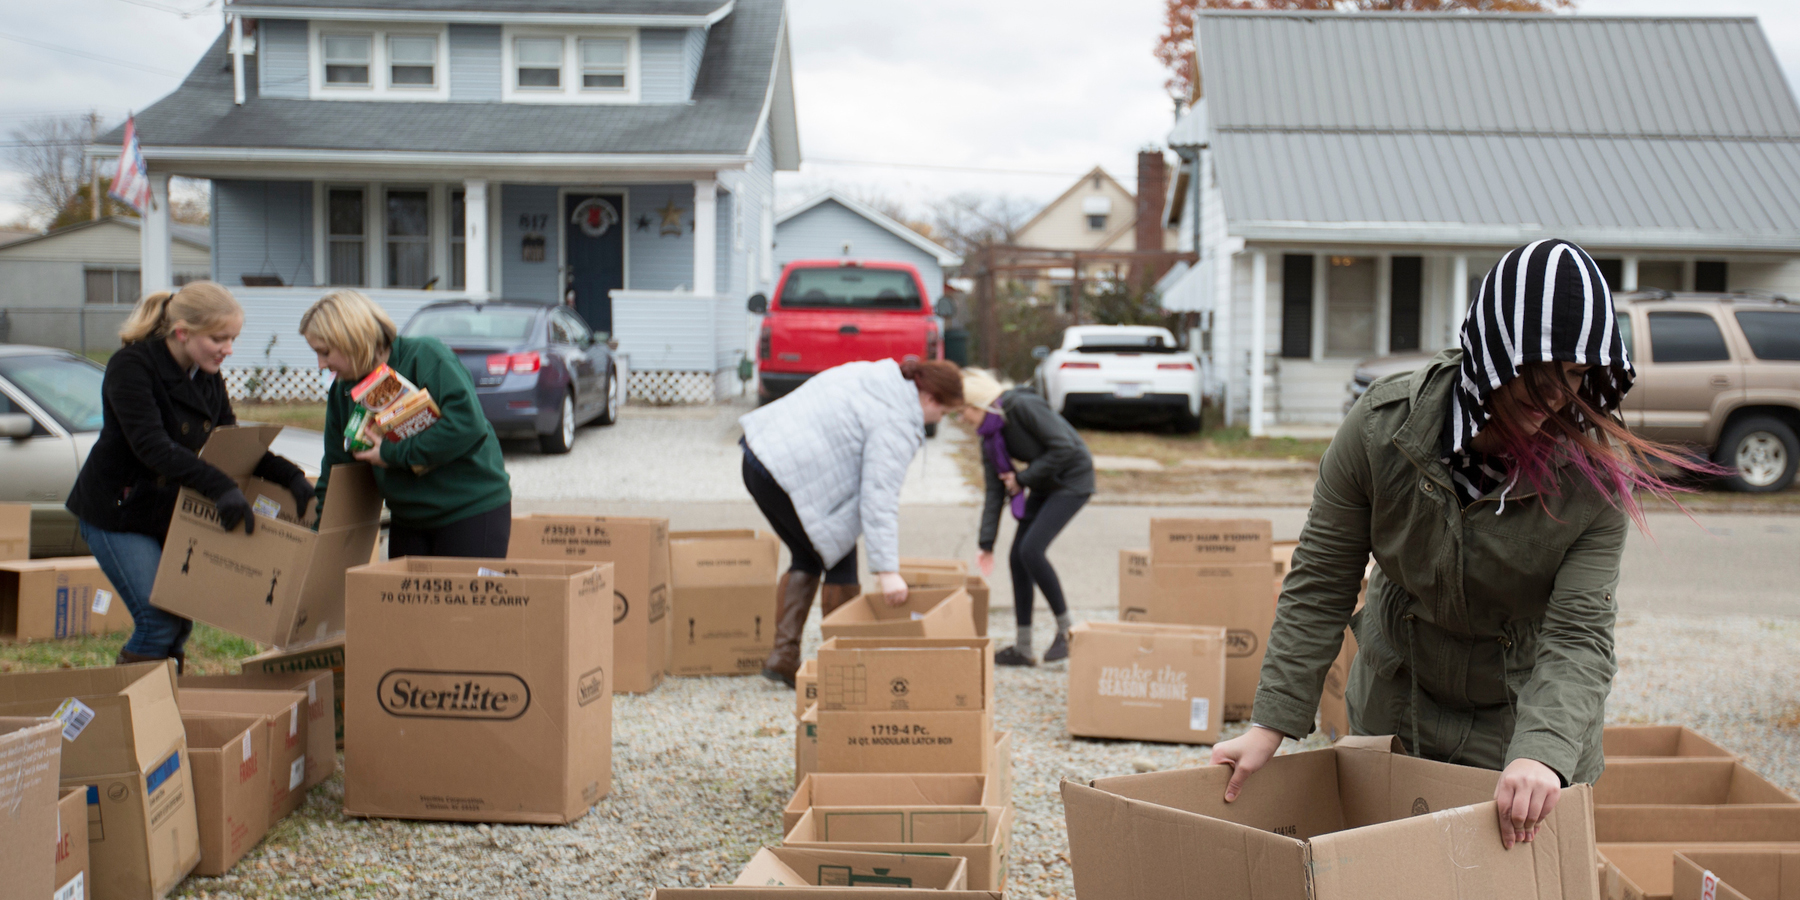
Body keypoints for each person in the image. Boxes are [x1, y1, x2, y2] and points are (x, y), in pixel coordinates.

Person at [1209, 239, 1712, 850]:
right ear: (1493, 354)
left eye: (1576, 374)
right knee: (1387, 871)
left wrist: (1543, 757)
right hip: (1398, 697)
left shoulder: (1594, 480)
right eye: (1538, 369)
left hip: (1517, 716)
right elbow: (1321, 579)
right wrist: (1271, 724)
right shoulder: (1380, 431)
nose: (1556, 393)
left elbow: (1579, 635)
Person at [66, 282, 312, 672]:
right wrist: (220, 488)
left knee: (179, 623)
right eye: (219, 338)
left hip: (161, 512)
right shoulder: (130, 368)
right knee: (158, 622)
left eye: (232, 338)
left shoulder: (206, 375)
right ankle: (129, 718)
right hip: (118, 512)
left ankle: (166, 715)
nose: (228, 348)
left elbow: (232, 443)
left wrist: (291, 477)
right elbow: (152, 446)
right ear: (182, 332)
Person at [742, 357, 965, 686]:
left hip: (758, 457)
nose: (939, 420)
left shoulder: (877, 376)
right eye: (943, 413)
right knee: (840, 558)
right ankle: (839, 665)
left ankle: (784, 657)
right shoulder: (899, 419)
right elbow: (879, 495)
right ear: (930, 398)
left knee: (810, 554)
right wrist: (887, 572)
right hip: (789, 475)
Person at [300, 289, 512, 558]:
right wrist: (320, 537)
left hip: (470, 511)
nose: (321, 364)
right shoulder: (342, 392)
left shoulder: (425, 357)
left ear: (351, 339)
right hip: (408, 521)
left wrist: (391, 454)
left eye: (325, 352)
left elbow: (467, 426)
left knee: (461, 602)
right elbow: (336, 471)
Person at [959, 369, 1094, 666]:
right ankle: (1023, 648)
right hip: (1043, 482)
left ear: (979, 404)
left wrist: (1024, 478)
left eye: (963, 411)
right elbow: (995, 492)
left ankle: (1066, 632)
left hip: (1073, 478)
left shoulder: (1021, 407)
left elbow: (1064, 446)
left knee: (1032, 550)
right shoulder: (989, 439)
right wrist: (986, 543)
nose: (961, 419)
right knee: (1017, 557)